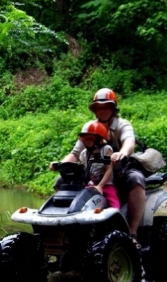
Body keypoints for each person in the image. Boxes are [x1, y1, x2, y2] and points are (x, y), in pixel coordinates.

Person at [55, 88, 146, 238]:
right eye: (99, 107)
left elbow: (129, 141)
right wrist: (61, 164)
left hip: (119, 170)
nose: (102, 110)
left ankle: (132, 233)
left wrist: (122, 153)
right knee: (61, 180)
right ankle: (66, 225)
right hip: (93, 171)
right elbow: (76, 154)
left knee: (136, 179)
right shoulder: (90, 127)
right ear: (95, 110)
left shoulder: (123, 124)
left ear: (113, 108)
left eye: (106, 107)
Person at [76, 120, 120, 208]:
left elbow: (109, 170)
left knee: (114, 203)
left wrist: (100, 186)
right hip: (91, 184)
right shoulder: (83, 154)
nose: (86, 141)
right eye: (85, 139)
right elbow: (85, 170)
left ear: (98, 140)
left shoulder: (106, 149)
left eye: (90, 139)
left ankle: (117, 216)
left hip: (106, 184)